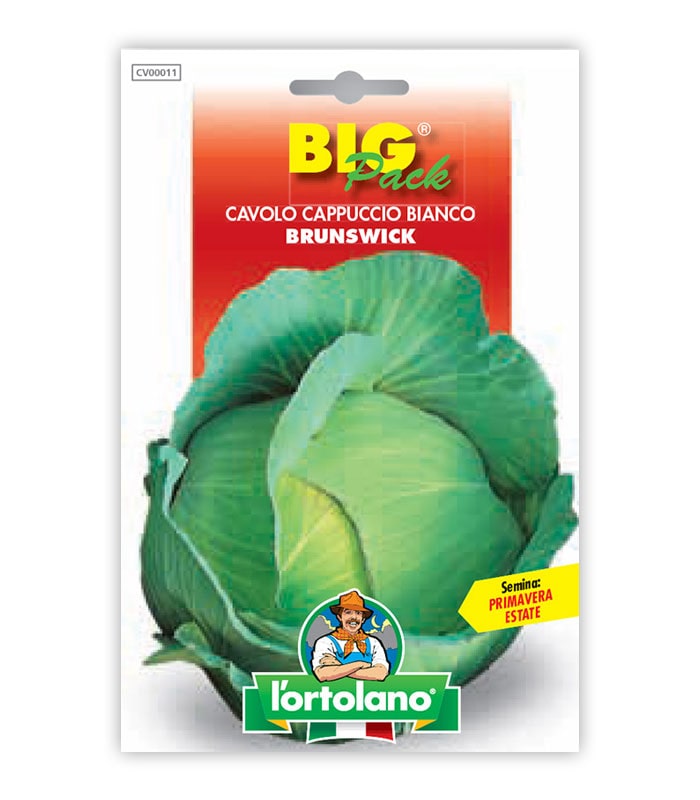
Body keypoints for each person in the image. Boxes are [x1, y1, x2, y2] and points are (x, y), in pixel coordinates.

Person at [311, 590, 390, 682]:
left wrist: (338, 669)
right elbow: (322, 674)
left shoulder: (374, 643)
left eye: (358, 613)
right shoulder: (325, 642)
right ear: (339, 617)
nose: (354, 617)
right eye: (348, 612)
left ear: (363, 619)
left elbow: (381, 673)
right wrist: (360, 664)